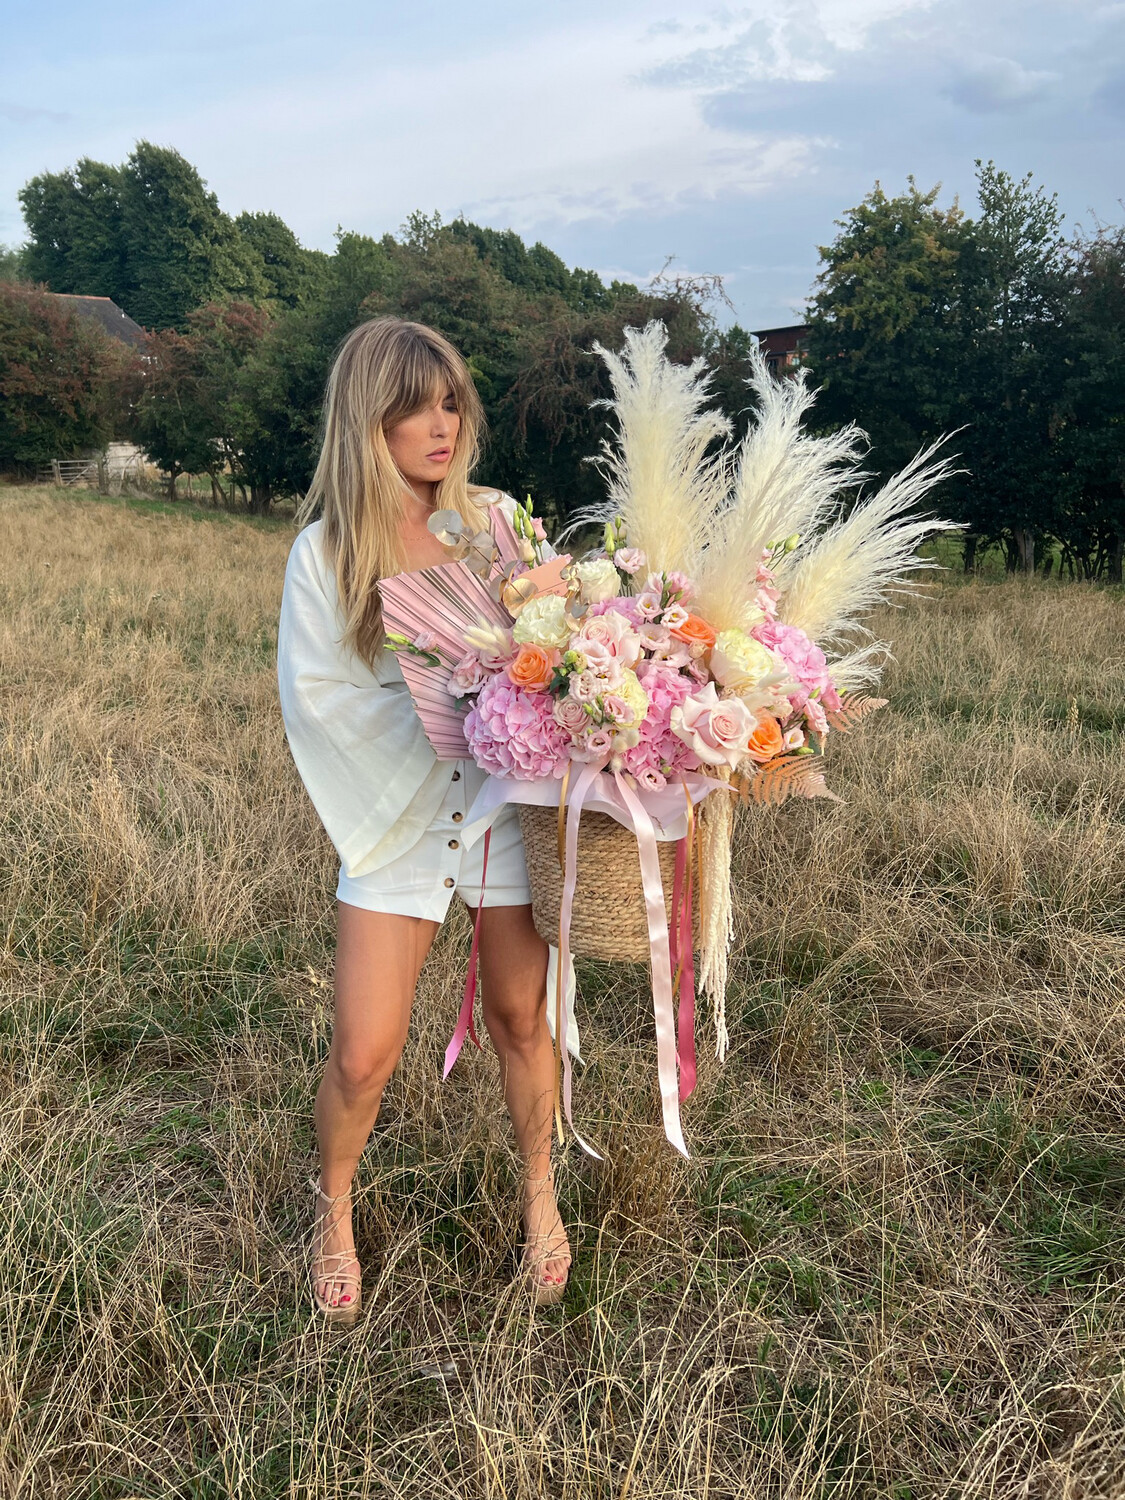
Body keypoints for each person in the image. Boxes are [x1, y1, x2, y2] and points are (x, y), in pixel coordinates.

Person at [277, 316, 571, 1324]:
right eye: (416, 407)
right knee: (364, 1053)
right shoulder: (325, 552)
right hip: (396, 814)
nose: (442, 425)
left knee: (521, 1019)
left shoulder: (497, 522)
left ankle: (539, 1194)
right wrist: (450, 699)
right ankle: (334, 1211)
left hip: (500, 804)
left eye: (452, 403)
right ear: (369, 419)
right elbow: (318, 698)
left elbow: (557, 653)